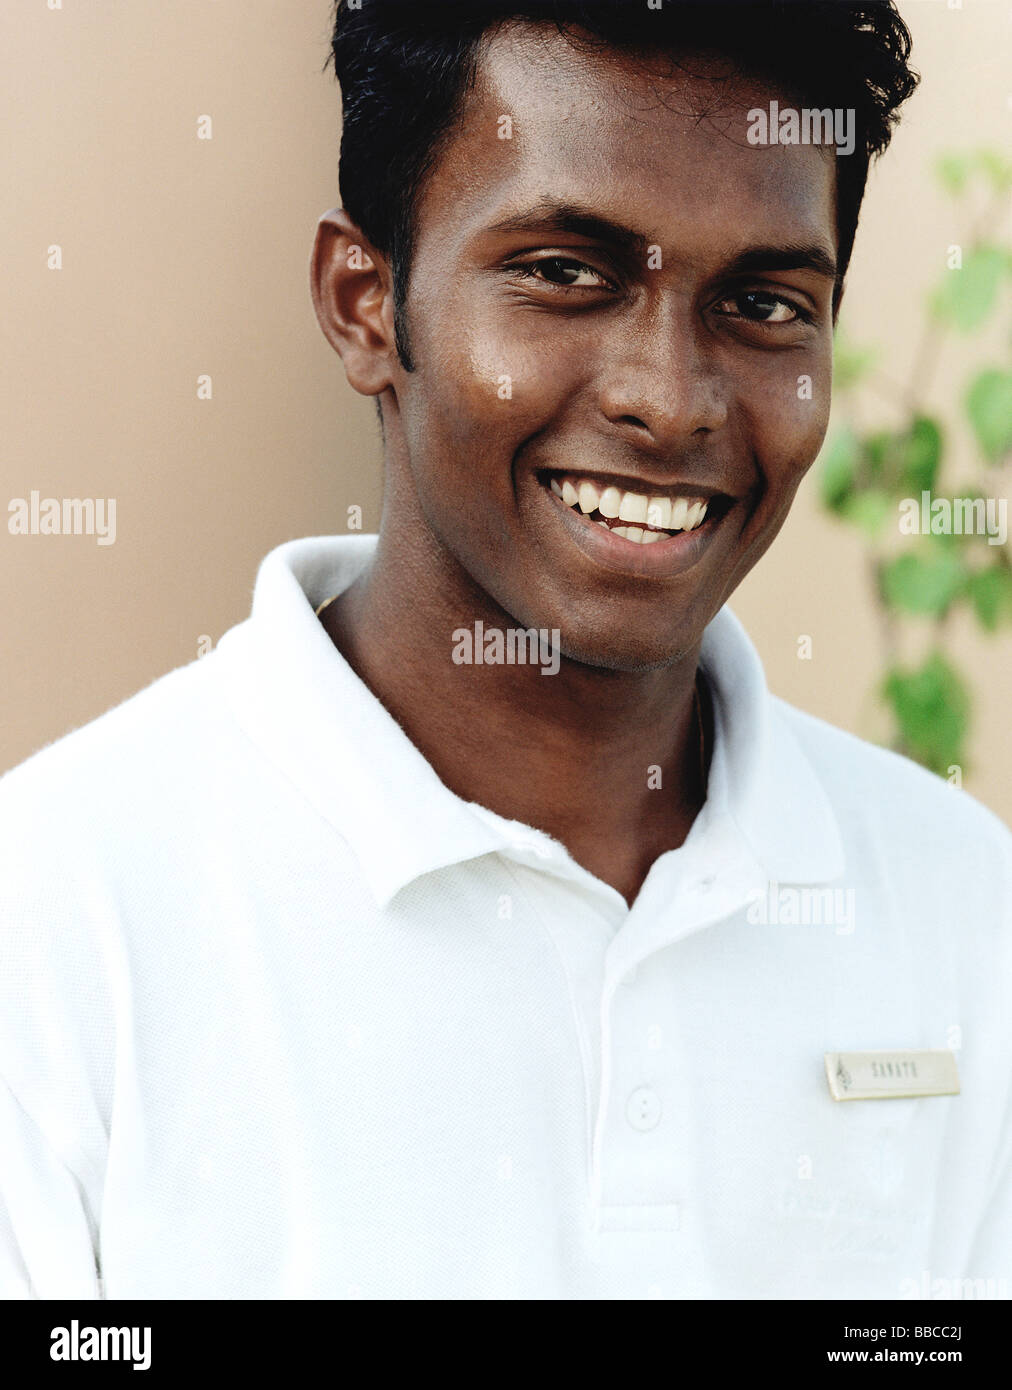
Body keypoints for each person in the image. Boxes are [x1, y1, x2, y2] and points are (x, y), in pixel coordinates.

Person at [1, 0, 1008, 1301]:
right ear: (366, 305)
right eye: (565, 273)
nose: (672, 395)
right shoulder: (55, 919)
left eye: (764, 303)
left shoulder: (967, 918)